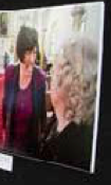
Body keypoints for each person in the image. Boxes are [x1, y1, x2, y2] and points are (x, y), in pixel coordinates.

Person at [40, 36, 98, 170]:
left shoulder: (76, 150)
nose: (50, 80)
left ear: (69, 81)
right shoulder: (58, 118)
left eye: (54, 72)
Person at [3, 26, 47, 155]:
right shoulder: (10, 72)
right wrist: (4, 128)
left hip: (30, 142)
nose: (32, 59)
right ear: (21, 52)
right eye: (28, 53)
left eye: (34, 52)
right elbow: (5, 101)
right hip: (12, 139)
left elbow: (42, 111)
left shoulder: (40, 77)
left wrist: (43, 135)